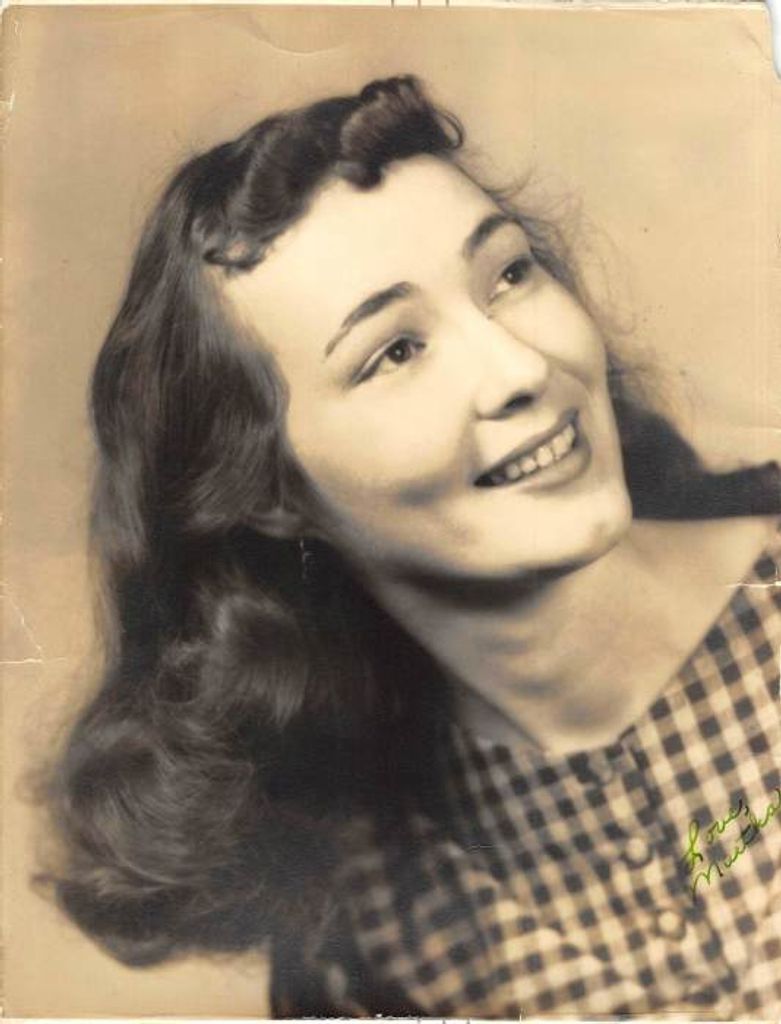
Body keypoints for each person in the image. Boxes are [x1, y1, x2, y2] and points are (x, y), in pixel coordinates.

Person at [42, 76, 781, 1017]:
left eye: (508, 276)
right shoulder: (364, 948)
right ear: (270, 494)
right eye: (395, 351)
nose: (520, 369)